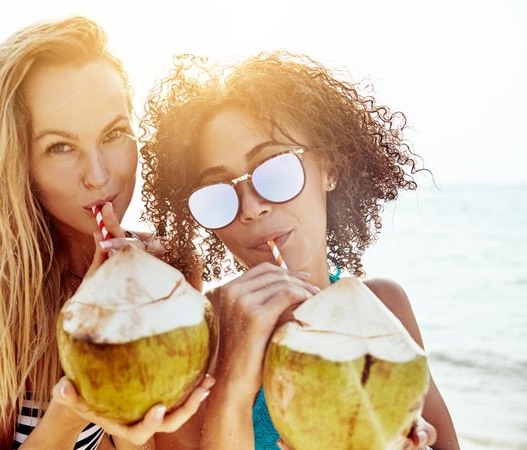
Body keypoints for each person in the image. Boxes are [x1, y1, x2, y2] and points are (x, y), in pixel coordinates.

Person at [139, 52, 460, 449]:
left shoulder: (384, 306)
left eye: (274, 169)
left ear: (329, 168)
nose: (252, 207)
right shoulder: (192, 343)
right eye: (218, 194)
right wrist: (236, 382)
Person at [0, 16, 213, 450]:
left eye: (115, 134)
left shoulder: (170, 277)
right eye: (60, 146)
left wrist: (129, 435)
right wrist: (75, 400)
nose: (99, 176)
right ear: (18, 164)